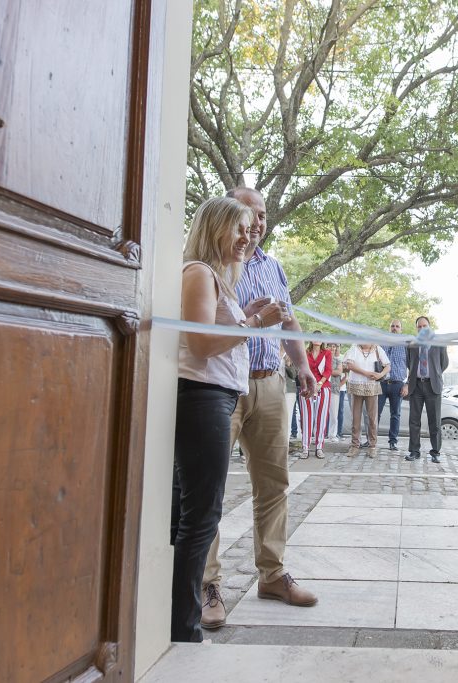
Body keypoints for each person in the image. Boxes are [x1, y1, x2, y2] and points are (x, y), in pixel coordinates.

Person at [199, 187, 319, 631]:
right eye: (250, 214)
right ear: (230, 215)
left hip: (269, 384)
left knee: (273, 484)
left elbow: (288, 319)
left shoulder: (273, 266)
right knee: (208, 487)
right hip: (220, 387)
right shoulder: (211, 263)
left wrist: (302, 366)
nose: (258, 223)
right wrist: (248, 319)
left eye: (263, 215)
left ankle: (272, 574)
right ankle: (208, 585)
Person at [171, 196, 283, 642]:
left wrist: (248, 315)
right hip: (202, 399)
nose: (246, 236)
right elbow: (200, 343)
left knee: (198, 510)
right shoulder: (198, 272)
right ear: (214, 227)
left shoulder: (221, 279)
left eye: (249, 229)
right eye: (238, 228)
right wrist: (254, 326)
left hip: (216, 396)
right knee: (200, 514)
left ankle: (181, 619)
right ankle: (183, 625)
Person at [403, 316, 449, 463]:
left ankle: (435, 452)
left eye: (424, 326)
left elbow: (443, 363)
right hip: (416, 385)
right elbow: (409, 362)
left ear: (429, 327)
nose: (422, 329)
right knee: (414, 421)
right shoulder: (411, 344)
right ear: (416, 328)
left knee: (434, 421)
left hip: (433, 385)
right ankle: (414, 451)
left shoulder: (439, 343)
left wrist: (433, 374)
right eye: (419, 327)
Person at [341, 342, 389, 457]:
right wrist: (367, 373)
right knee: (355, 418)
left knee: (372, 418)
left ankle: (372, 446)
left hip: (372, 387)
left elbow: (388, 365)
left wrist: (380, 374)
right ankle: (354, 446)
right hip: (356, 386)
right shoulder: (354, 347)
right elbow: (350, 365)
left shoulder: (378, 348)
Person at [299, 333, 332, 458]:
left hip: (323, 387)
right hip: (307, 387)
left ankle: (319, 447)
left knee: (321, 418)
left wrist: (319, 384)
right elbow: (301, 368)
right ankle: (305, 448)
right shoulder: (305, 352)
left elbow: (328, 370)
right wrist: (307, 385)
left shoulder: (327, 353)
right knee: (306, 418)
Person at [378, 320, 408, 451]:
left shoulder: (406, 345)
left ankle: (393, 441)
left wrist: (407, 385)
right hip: (381, 383)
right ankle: (371, 439)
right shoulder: (381, 344)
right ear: (389, 328)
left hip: (398, 385)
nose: (394, 328)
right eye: (392, 326)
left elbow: (412, 366)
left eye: (397, 326)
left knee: (395, 414)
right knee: (375, 413)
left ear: (401, 329)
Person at [325, 343, 343, 440]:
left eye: (334, 346)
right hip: (323, 387)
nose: (332, 348)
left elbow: (339, 372)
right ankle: (319, 434)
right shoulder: (323, 359)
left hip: (334, 389)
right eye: (330, 346)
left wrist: (326, 371)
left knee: (334, 413)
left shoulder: (338, 360)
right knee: (321, 412)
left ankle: (332, 435)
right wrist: (332, 371)